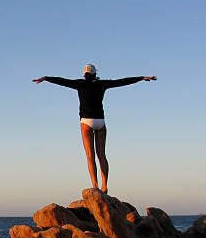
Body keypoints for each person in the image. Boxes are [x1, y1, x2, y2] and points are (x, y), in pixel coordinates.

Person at [32, 64, 156, 193]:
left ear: (84, 74)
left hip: (86, 121)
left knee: (90, 156)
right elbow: (121, 82)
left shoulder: (79, 84)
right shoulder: (102, 84)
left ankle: (95, 186)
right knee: (101, 155)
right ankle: (105, 186)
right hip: (100, 121)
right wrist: (141, 78)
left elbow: (62, 81)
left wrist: (46, 78)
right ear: (95, 73)